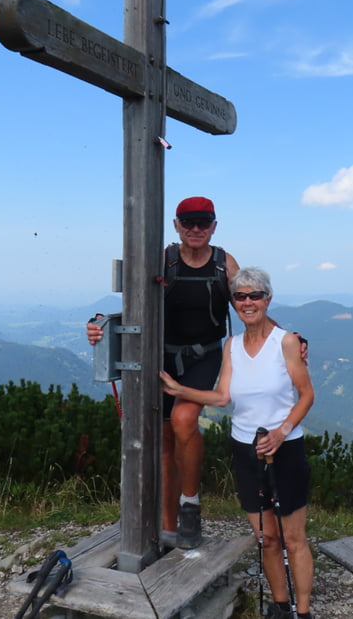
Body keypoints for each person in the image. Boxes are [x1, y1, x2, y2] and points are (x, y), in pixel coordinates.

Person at [160, 267, 316, 619]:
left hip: (284, 449)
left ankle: (302, 611)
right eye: (240, 296)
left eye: (255, 296)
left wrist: (281, 431)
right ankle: (280, 607)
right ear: (233, 303)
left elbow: (306, 395)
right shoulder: (232, 346)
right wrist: (181, 391)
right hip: (245, 449)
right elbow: (223, 397)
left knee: (293, 538)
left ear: (268, 300)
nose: (247, 302)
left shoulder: (286, 342)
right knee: (268, 539)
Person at [87, 196, 237, 550]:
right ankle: (170, 530)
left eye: (204, 222)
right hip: (161, 357)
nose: (196, 229)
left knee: (185, 421)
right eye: (189, 222)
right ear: (176, 226)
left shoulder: (224, 264)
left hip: (204, 357)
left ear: (214, 226)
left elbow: (249, 306)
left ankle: (190, 505)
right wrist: (98, 326)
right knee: (165, 444)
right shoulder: (163, 260)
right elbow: (134, 303)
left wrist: (286, 339)